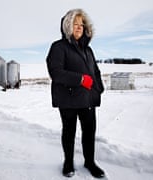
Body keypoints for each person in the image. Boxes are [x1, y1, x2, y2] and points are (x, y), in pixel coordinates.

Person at [46, 9, 105, 178]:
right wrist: (80, 79)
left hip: (88, 99)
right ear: (67, 26)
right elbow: (56, 72)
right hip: (68, 99)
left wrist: (99, 87)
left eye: (81, 24)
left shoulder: (88, 50)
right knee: (69, 131)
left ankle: (90, 162)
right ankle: (68, 162)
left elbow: (96, 71)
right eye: (75, 24)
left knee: (89, 132)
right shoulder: (58, 47)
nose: (79, 27)